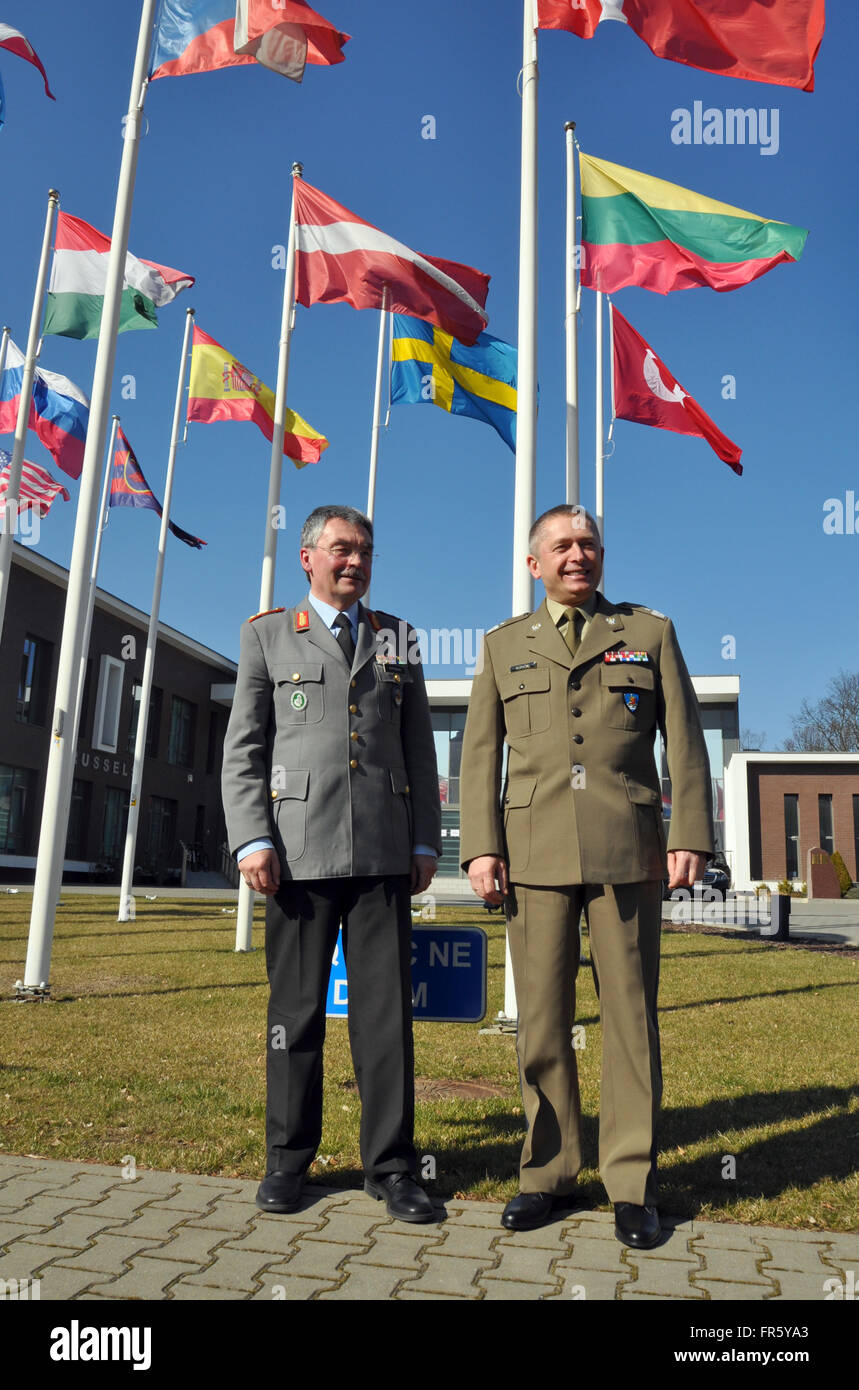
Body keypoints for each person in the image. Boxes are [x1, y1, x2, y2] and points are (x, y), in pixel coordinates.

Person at [459, 505, 713, 1247]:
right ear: (533, 563)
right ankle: (547, 1172)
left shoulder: (647, 633)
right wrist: (481, 847)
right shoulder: (503, 646)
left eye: (589, 544)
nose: (579, 555)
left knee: (630, 1019)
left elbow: (686, 743)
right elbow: (479, 755)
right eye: (562, 546)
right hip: (532, 853)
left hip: (625, 848)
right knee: (540, 1019)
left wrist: (690, 833)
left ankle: (631, 1183)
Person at [221, 504, 441, 1223]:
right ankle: (288, 1162)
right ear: (308, 558)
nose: (355, 562)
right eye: (342, 549)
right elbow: (244, 749)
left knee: (383, 1017)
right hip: (296, 854)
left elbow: (416, 749)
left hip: (381, 853)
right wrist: (252, 840)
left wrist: (422, 842)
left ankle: (392, 1167)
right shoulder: (267, 635)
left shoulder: (397, 639)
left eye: (366, 552)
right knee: (297, 1013)